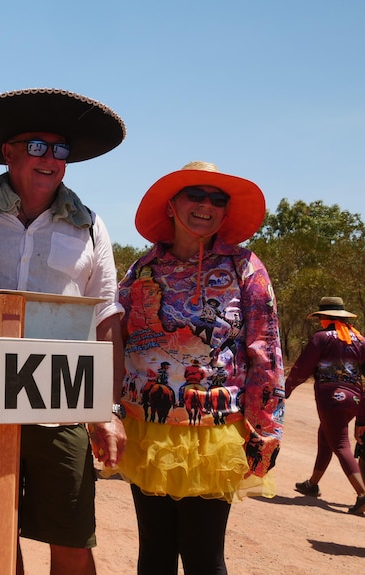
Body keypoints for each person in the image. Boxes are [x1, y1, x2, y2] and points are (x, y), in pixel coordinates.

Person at [0, 88, 128, 575]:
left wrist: (107, 409)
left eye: (60, 149)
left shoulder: (90, 227)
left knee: (71, 536)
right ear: (8, 153)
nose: (51, 159)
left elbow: (106, 318)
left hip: (62, 403)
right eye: (38, 146)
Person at [117, 161, 285, 574]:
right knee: (153, 554)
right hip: (146, 426)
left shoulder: (245, 267)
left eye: (217, 199)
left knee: (203, 557)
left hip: (213, 432)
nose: (206, 206)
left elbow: (265, 348)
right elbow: (115, 338)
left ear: (225, 213)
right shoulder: (143, 269)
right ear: (171, 205)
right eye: (195, 195)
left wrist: (266, 428)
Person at [286, 296, 365, 515]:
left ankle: (362, 494)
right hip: (355, 398)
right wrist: (362, 417)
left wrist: (286, 388)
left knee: (340, 444)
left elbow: (302, 368)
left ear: (325, 318)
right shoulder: (360, 339)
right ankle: (312, 484)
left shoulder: (321, 338)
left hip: (331, 397)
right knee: (326, 435)